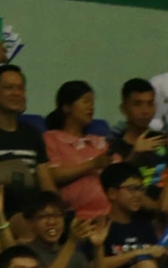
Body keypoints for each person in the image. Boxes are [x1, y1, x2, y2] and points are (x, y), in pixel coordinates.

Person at [84, 162, 168, 268]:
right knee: (146, 267)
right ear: (112, 193)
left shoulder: (143, 224)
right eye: (132, 189)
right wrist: (137, 253)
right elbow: (92, 266)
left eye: (141, 189)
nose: (138, 195)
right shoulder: (100, 226)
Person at [40, 80, 114, 220]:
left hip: (110, 215)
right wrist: (92, 164)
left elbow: (119, 175)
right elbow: (51, 175)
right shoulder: (51, 138)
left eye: (92, 102)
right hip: (75, 217)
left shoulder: (99, 142)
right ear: (67, 107)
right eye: (86, 101)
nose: (91, 107)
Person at [0, 66, 47, 190]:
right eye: (9, 88)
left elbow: (46, 183)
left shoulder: (33, 134)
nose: (16, 93)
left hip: (30, 201)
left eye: (20, 88)